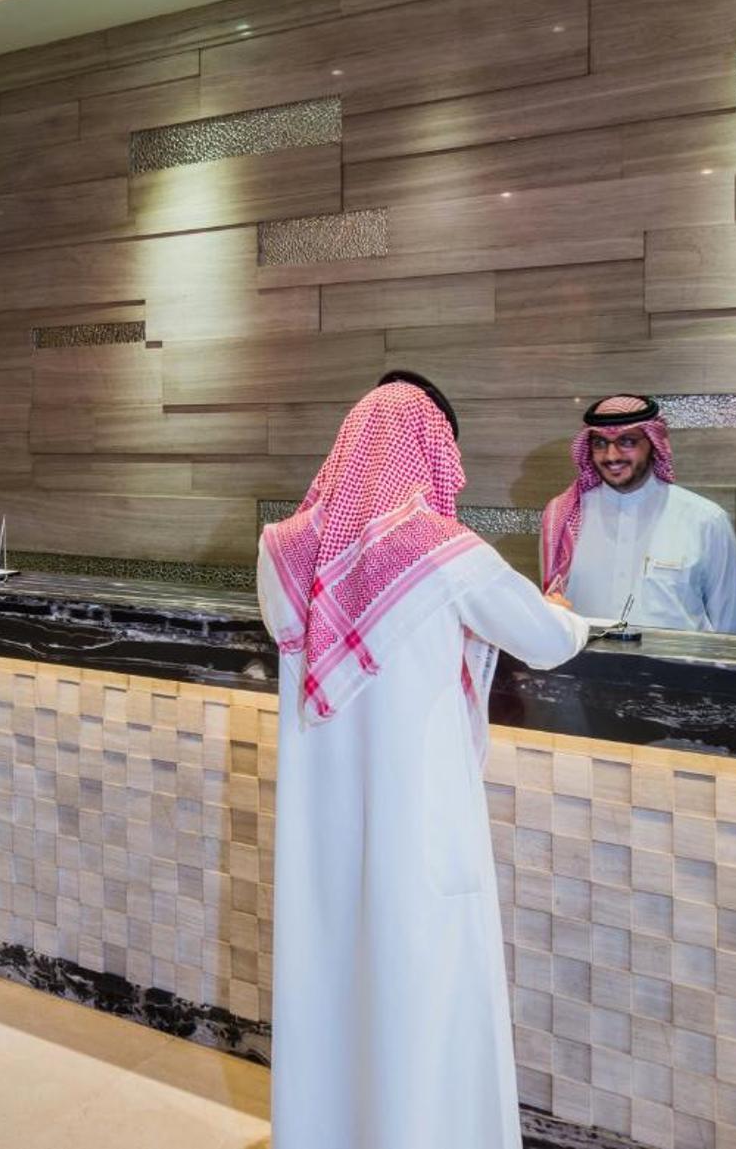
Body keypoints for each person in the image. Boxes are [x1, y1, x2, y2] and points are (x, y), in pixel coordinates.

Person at [256, 378, 592, 1148]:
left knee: (330, 988)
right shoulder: (443, 550)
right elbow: (544, 638)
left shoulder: (281, 551)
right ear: (431, 448)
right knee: (423, 997)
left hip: (321, 836)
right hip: (420, 829)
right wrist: (568, 615)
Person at [539, 393, 736, 633]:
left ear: (653, 444)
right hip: (583, 658)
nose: (612, 456)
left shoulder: (706, 520)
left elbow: (729, 628)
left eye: (627, 441)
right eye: (600, 443)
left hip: (676, 659)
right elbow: (553, 610)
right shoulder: (562, 517)